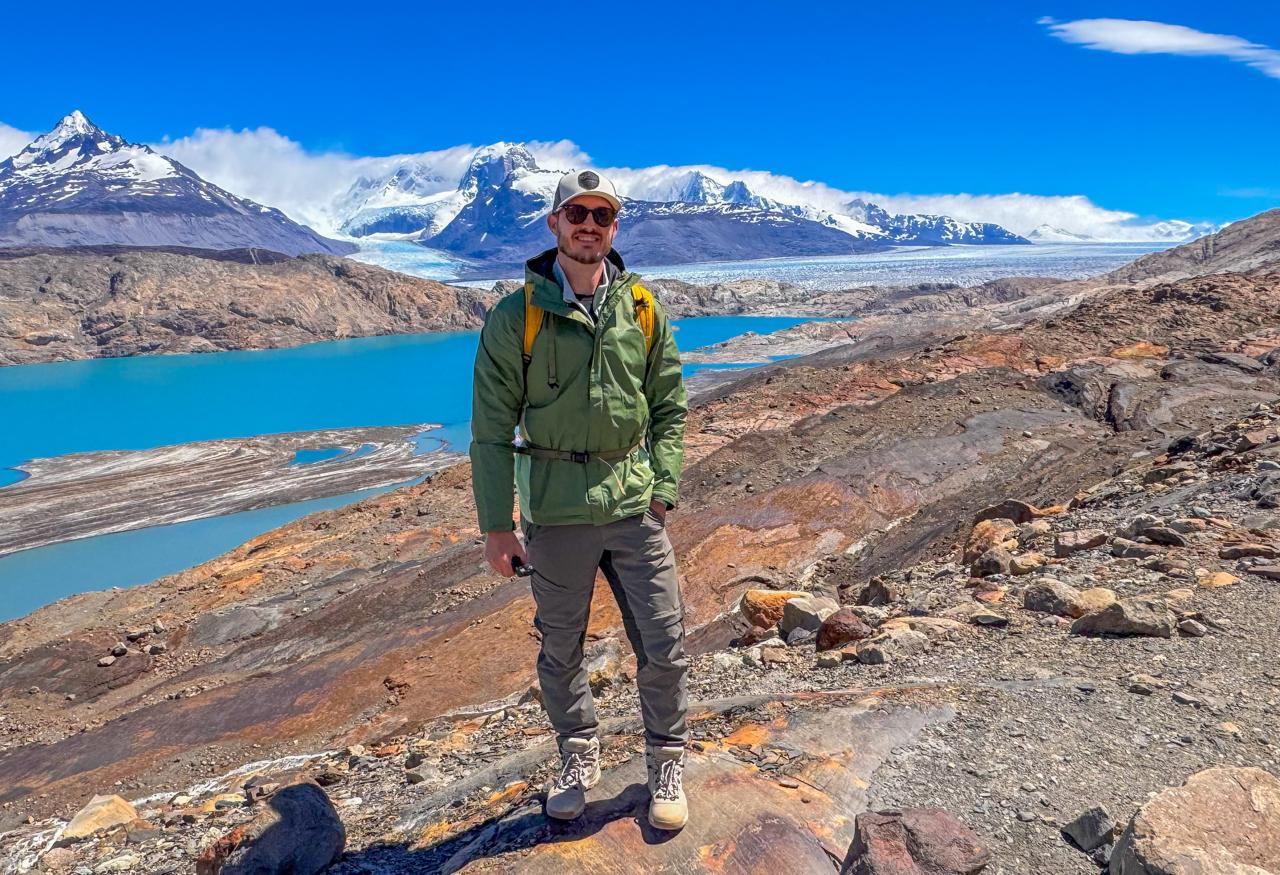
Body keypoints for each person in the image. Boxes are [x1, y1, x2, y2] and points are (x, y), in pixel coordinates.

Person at [469, 168, 690, 830]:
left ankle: (667, 762)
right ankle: (576, 756)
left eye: (602, 215)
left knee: (665, 640)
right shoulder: (518, 317)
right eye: (577, 213)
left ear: (613, 228)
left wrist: (662, 491)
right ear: (554, 224)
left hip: (632, 506)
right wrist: (496, 526)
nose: (589, 224)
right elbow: (489, 429)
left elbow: (670, 407)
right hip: (556, 513)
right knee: (559, 647)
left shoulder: (643, 309)